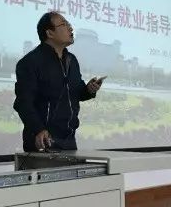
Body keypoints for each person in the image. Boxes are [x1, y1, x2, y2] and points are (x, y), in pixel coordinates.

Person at [13, 11, 104, 152]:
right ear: (50, 33)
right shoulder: (31, 62)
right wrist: (39, 129)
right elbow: (23, 103)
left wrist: (89, 90)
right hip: (43, 139)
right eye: (64, 24)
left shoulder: (71, 60)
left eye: (69, 24)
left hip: (68, 139)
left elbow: (77, 92)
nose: (70, 28)